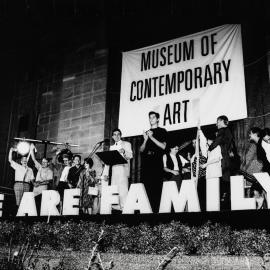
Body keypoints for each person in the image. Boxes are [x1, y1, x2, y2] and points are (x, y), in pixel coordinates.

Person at [140, 111, 167, 212]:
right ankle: (147, 211)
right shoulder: (146, 132)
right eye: (150, 117)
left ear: (158, 119)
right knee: (146, 187)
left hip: (156, 161)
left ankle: (157, 211)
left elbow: (163, 146)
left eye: (153, 117)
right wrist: (146, 140)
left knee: (157, 187)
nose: (151, 119)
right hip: (147, 161)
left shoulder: (162, 131)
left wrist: (152, 137)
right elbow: (141, 150)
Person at [101, 128, 133, 211]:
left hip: (122, 169)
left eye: (118, 134)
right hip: (114, 171)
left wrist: (124, 152)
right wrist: (105, 174)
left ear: (121, 135)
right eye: (115, 134)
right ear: (112, 137)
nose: (117, 136)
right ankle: (117, 210)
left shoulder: (126, 144)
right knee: (114, 191)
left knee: (123, 191)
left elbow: (130, 155)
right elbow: (108, 162)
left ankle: (125, 209)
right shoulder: (111, 147)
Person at [208, 115, 234, 209]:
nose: (216, 124)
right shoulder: (229, 131)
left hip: (223, 160)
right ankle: (226, 201)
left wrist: (210, 148)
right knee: (226, 180)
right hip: (226, 159)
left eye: (217, 122)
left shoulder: (223, 130)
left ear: (222, 121)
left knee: (224, 181)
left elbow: (217, 141)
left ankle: (224, 202)